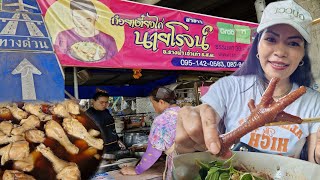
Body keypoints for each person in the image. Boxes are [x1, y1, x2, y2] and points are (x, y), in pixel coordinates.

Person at [175, 0, 320, 164]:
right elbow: (203, 121)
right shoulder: (228, 87)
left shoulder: (314, 102)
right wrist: (187, 141)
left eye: (293, 43)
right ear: (257, 46)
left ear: (302, 55)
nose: (280, 52)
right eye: (271, 39)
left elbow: (313, 164)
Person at [120, 87, 180, 179]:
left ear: (161, 102)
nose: (153, 106)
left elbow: (154, 152)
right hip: (191, 162)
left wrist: (137, 170)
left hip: (176, 167)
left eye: (153, 103)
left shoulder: (162, 120)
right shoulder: (184, 112)